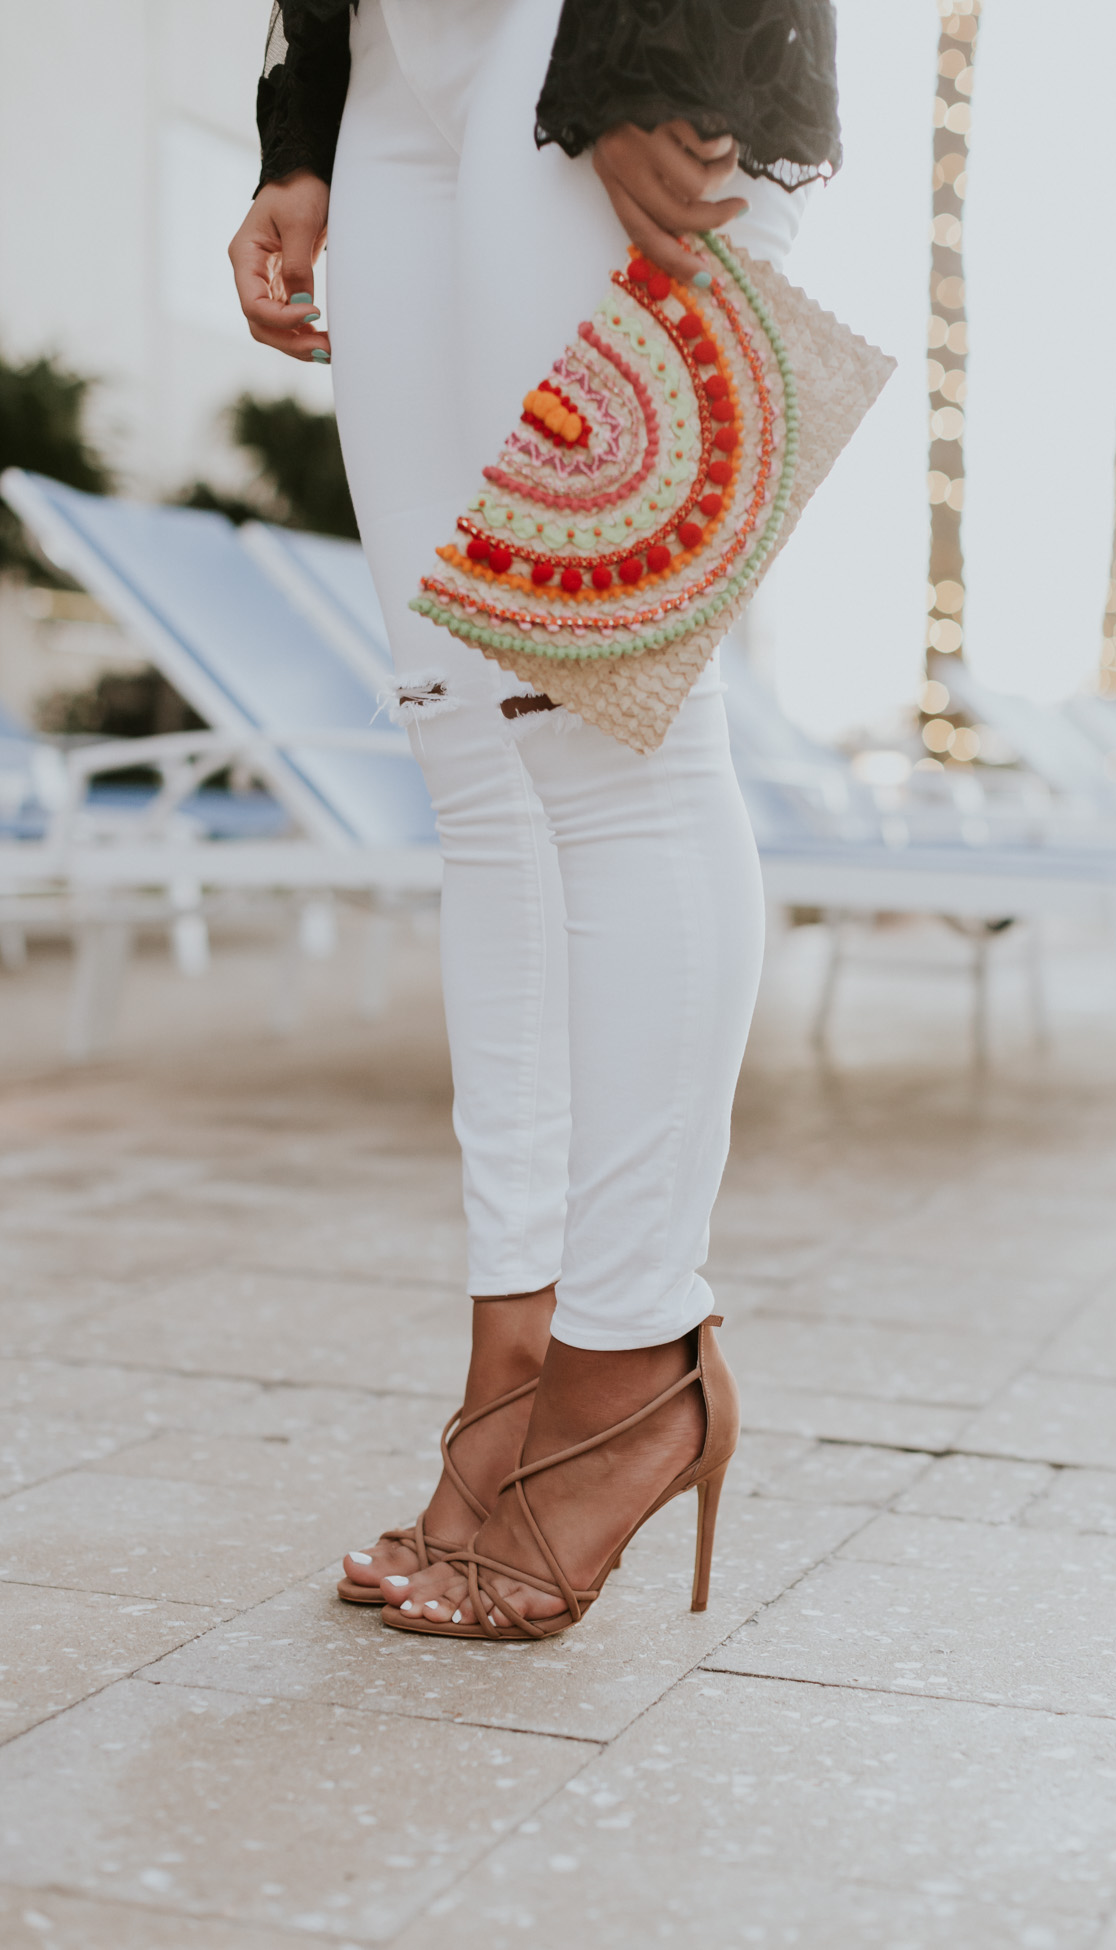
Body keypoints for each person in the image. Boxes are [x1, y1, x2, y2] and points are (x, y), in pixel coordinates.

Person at [229, 0, 840, 1641]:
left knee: (608, 722)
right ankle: (519, 1351)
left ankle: (636, 1355)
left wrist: (669, 45)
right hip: (400, 63)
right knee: (474, 757)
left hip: (596, 28)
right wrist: (304, 129)